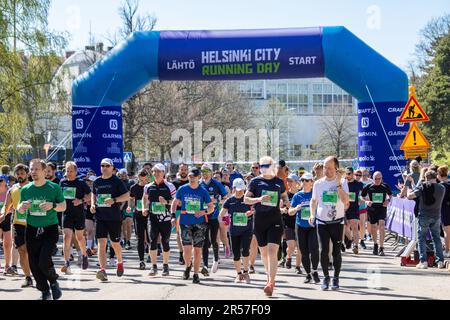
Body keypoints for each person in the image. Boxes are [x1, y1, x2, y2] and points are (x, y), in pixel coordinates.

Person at [17, 159, 66, 300]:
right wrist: (22, 207)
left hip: (49, 228)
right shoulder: (26, 189)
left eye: (36, 169)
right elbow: (19, 209)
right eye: (31, 169)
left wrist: (53, 206)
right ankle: (44, 291)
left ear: (44, 171)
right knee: (33, 262)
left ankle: (54, 281)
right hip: (32, 228)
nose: (33, 172)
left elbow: (63, 206)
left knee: (44, 260)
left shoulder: (54, 188)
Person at [244, 156, 290, 296]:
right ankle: (269, 276)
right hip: (259, 220)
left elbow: (284, 196)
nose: (264, 167)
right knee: (263, 253)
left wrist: (286, 203)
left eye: (267, 165)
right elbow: (246, 199)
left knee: (271, 251)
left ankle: (271, 282)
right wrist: (258, 199)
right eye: (262, 165)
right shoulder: (255, 182)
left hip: (275, 219)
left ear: (272, 166)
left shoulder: (278, 182)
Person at [309, 156, 349, 291]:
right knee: (323, 251)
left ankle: (336, 278)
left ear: (336, 169)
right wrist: (311, 214)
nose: (327, 170)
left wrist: (338, 185)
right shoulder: (318, 183)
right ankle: (326, 277)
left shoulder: (343, 182)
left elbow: (346, 202)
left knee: (336, 252)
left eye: (330, 168)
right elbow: (313, 200)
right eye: (325, 167)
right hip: (322, 222)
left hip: (337, 222)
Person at [170, 167, 214, 284]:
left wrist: (203, 212)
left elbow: (211, 207)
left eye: (194, 176)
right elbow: (174, 203)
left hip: (200, 223)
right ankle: (188, 265)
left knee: (198, 250)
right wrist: (173, 216)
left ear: (199, 177)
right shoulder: (182, 189)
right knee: (187, 250)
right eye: (190, 176)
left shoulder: (203, 191)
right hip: (185, 222)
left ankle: (195, 274)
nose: (192, 178)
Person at [90, 158, 130, 282]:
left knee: (114, 243)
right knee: (101, 243)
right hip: (100, 217)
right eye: (102, 165)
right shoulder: (97, 181)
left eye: (107, 165)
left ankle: (119, 262)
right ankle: (102, 270)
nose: (104, 167)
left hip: (114, 217)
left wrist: (114, 200)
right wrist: (92, 204)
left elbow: (126, 196)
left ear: (112, 168)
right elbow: (94, 194)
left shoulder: (116, 181)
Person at [0, 164, 33, 286]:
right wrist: (3, 214)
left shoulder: (33, 187)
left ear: (27, 174)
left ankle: (36, 271)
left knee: (31, 250)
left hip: (33, 223)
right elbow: (6, 206)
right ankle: (28, 277)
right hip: (18, 224)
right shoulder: (12, 189)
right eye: (18, 174)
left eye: (22, 174)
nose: (20, 176)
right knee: (21, 250)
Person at [407, 170, 446, 269]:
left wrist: (409, 189)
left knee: (422, 238)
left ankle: (423, 261)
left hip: (424, 215)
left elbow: (410, 196)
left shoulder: (422, 187)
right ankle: (440, 261)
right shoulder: (442, 188)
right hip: (436, 215)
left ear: (425, 177)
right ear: (436, 176)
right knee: (436, 238)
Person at [143, 163, 176, 276]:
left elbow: (176, 202)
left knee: (165, 242)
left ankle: (165, 266)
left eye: (158, 171)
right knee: (152, 241)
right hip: (152, 217)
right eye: (154, 171)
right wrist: (144, 208)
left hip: (165, 218)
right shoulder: (148, 186)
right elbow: (144, 198)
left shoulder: (170, 186)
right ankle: (153, 266)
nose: (156, 173)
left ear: (163, 173)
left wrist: (166, 202)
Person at [59, 162, 91, 274]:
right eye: (67, 171)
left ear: (76, 172)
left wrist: (80, 201)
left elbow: (90, 195)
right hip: (66, 214)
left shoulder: (81, 183)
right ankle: (66, 263)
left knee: (79, 237)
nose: (69, 173)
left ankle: (84, 255)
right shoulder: (62, 182)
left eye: (71, 171)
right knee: (66, 237)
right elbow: (58, 196)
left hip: (78, 214)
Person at [220, 178, 253, 283]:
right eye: (238, 189)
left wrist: (250, 213)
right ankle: (239, 274)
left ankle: (246, 272)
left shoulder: (247, 199)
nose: (240, 191)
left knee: (246, 251)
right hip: (234, 231)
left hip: (246, 229)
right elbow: (221, 214)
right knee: (236, 253)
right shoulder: (229, 201)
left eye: (242, 189)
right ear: (233, 188)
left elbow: (255, 209)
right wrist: (226, 219)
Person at [289, 172, 320, 284]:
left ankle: (315, 270)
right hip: (300, 226)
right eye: (302, 180)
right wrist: (296, 208)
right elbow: (290, 212)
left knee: (314, 249)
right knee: (303, 251)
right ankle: (308, 274)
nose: (304, 182)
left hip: (312, 226)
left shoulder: (315, 195)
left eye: (307, 180)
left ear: (312, 182)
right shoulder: (297, 196)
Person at [200, 163, 228, 276]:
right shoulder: (199, 184)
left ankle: (216, 259)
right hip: (202, 216)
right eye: (202, 172)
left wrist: (217, 200)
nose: (204, 174)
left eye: (206, 171)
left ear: (211, 172)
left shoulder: (217, 184)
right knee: (204, 242)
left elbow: (226, 199)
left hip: (214, 216)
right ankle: (205, 265)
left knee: (214, 240)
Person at [360, 172, 392, 256]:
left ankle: (381, 247)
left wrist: (387, 201)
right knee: (374, 227)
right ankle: (375, 244)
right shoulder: (368, 186)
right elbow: (361, 196)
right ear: (372, 178)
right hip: (372, 209)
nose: (377, 181)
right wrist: (366, 201)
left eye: (379, 179)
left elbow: (390, 195)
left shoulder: (385, 186)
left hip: (382, 208)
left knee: (381, 226)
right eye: (375, 179)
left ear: (381, 178)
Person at [128, 170, 150, 269]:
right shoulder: (134, 188)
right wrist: (129, 206)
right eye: (141, 180)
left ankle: (150, 254)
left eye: (145, 180)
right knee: (140, 238)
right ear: (138, 178)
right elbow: (131, 198)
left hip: (150, 215)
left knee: (150, 238)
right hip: (138, 215)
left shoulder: (151, 187)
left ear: (148, 178)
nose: (143, 182)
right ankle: (141, 260)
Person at [281, 173, 302, 273]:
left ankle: (297, 267)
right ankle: (288, 257)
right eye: (288, 181)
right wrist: (283, 210)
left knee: (300, 247)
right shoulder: (286, 195)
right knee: (291, 245)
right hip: (288, 223)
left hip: (300, 223)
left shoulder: (301, 194)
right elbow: (279, 207)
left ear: (296, 183)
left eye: (291, 181)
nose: (288, 183)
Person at [172, 163, 189, 265]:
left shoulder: (191, 182)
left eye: (185, 169)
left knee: (189, 233)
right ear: (179, 170)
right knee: (179, 234)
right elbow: (173, 199)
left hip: (190, 211)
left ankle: (187, 254)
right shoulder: (174, 183)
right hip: (178, 210)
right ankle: (181, 253)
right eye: (182, 169)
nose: (183, 171)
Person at [344, 167, 364, 254]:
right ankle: (350, 239)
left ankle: (355, 246)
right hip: (344, 209)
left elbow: (363, 195)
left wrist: (363, 199)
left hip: (354, 207)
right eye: (346, 174)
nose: (347, 176)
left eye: (349, 174)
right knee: (345, 227)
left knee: (355, 226)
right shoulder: (342, 183)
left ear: (352, 174)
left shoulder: (358, 184)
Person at [118, 168, 133, 250]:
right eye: (122, 175)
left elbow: (131, 196)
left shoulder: (130, 183)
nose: (123, 176)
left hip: (128, 206)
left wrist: (130, 205)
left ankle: (128, 241)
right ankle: (123, 239)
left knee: (128, 223)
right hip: (119, 207)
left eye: (125, 175)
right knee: (122, 225)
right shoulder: (117, 182)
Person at [0, 177, 13, 275]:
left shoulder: (10, 191)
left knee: (7, 244)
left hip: (7, 219)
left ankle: (7, 265)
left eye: (2, 181)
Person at [437, 166, 450, 258]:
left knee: (446, 231)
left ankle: (447, 250)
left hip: (444, 209)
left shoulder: (441, 186)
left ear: (439, 174)